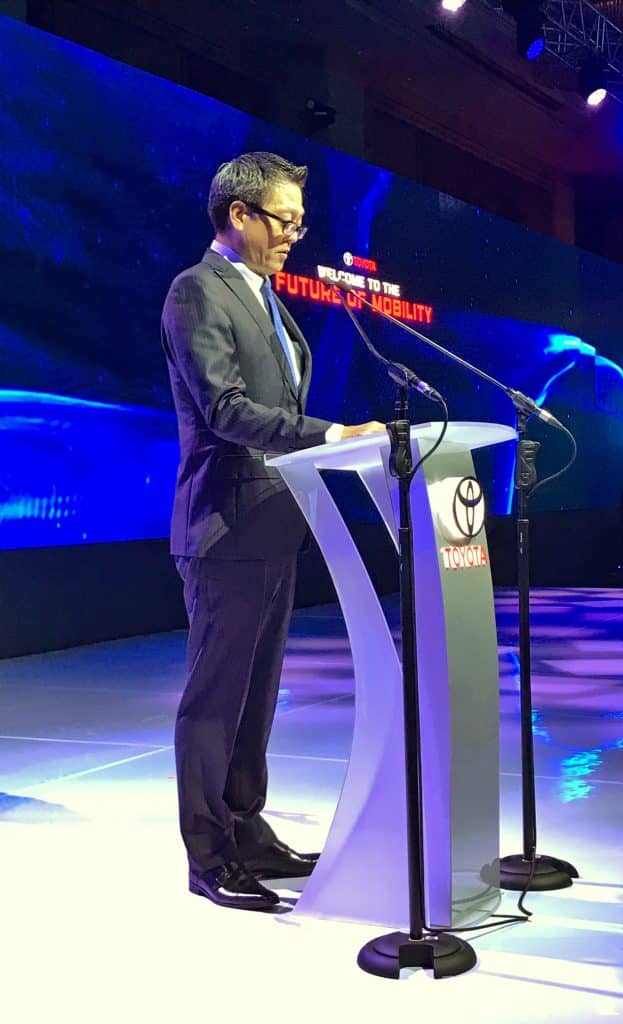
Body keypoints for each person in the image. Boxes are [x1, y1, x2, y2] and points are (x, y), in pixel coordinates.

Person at [161, 152, 384, 911]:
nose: (294, 234)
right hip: (225, 526)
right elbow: (224, 409)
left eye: (299, 222)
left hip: (276, 521)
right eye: (284, 220)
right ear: (238, 214)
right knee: (215, 700)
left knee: (257, 696)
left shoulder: (266, 298)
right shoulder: (197, 291)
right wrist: (331, 435)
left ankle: (246, 828)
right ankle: (208, 855)